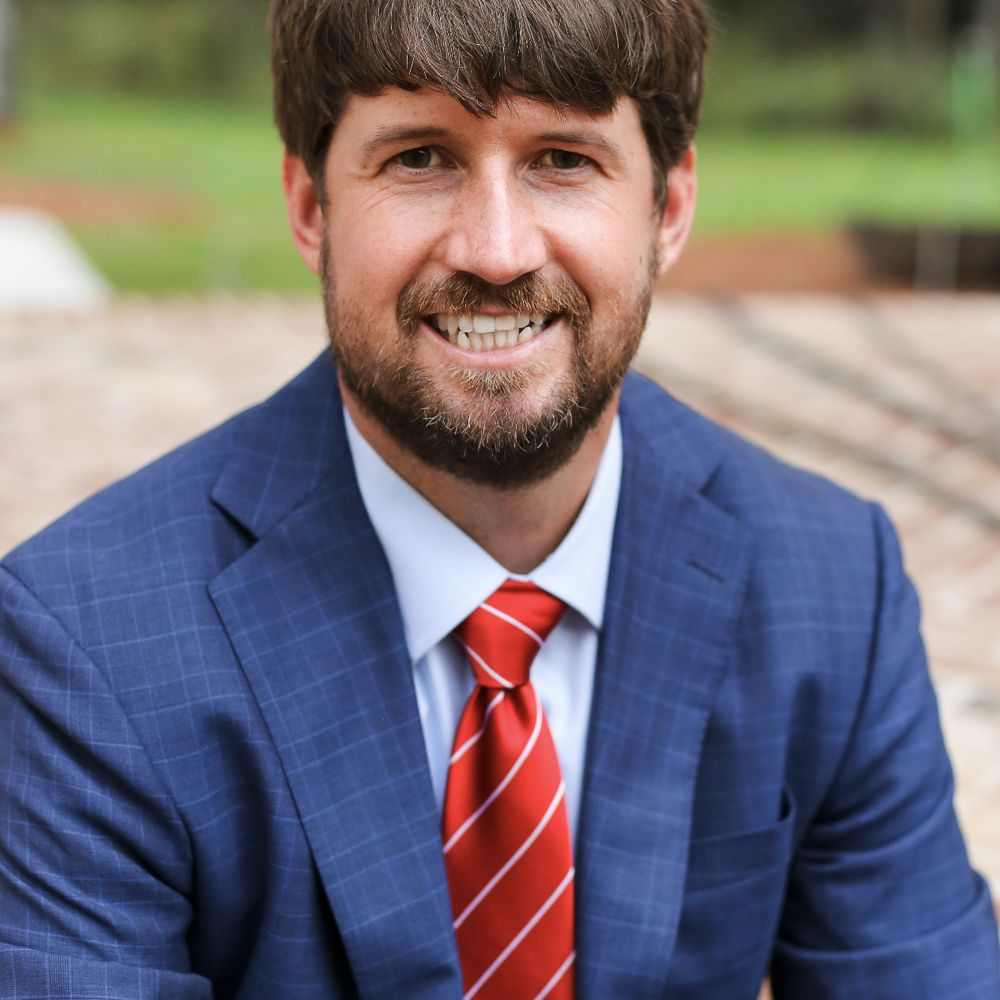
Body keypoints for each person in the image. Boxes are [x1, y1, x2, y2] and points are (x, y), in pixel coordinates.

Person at [1, 0, 998, 996]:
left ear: (668, 209)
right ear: (310, 207)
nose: (496, 249)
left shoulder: (833, 583)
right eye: (420, 159)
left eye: (563, 159)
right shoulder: (84, 644)